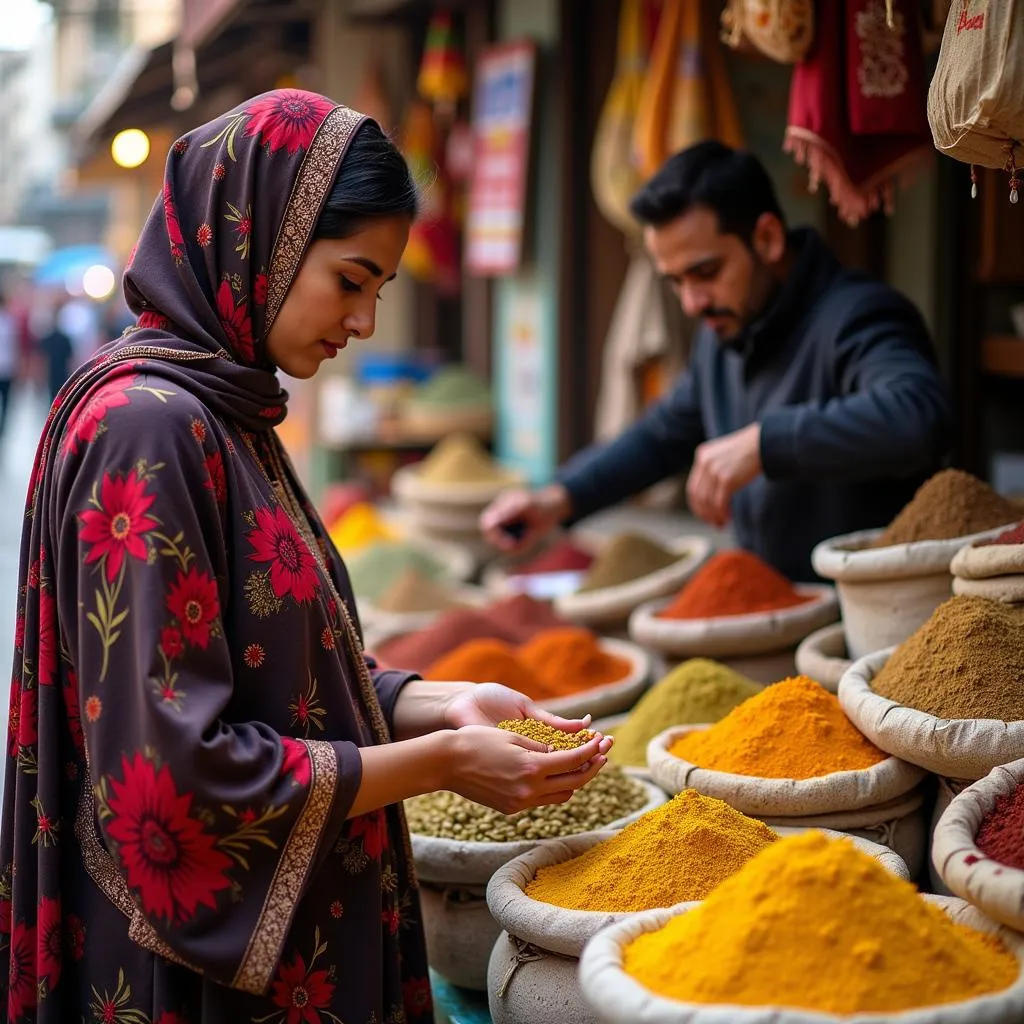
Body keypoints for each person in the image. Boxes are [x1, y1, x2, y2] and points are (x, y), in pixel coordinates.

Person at [0, 90, 611, 1022]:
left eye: (380, 292)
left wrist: (433, 700)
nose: (363, 321)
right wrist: (445, 760)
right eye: (351, 280)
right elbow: (173, 774)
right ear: (264, 242)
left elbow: (264, 660)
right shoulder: (149, 429)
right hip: (196, 982)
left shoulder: (217, 405)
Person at [481, 142, 952, 581]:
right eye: (675, 281)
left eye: (706, 273)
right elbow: (662, 434)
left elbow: (917, 416)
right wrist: (557, 498)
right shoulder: (724, 331)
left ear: (766, 238)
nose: (691, 302)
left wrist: (763, 443)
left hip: (869, 615)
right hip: (769, 608)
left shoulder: (858, 314)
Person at [36, 303, 74, 402]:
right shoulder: (62, 338)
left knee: (53, 399)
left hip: (56, 373)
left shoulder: (51, 338)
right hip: (57, 373)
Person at [0, 288, 18, 440]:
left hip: (7, 366)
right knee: (6, 400)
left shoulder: (10, 320)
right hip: (7, 366)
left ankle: (3, 427)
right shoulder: (10, 321)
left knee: (6, 399)